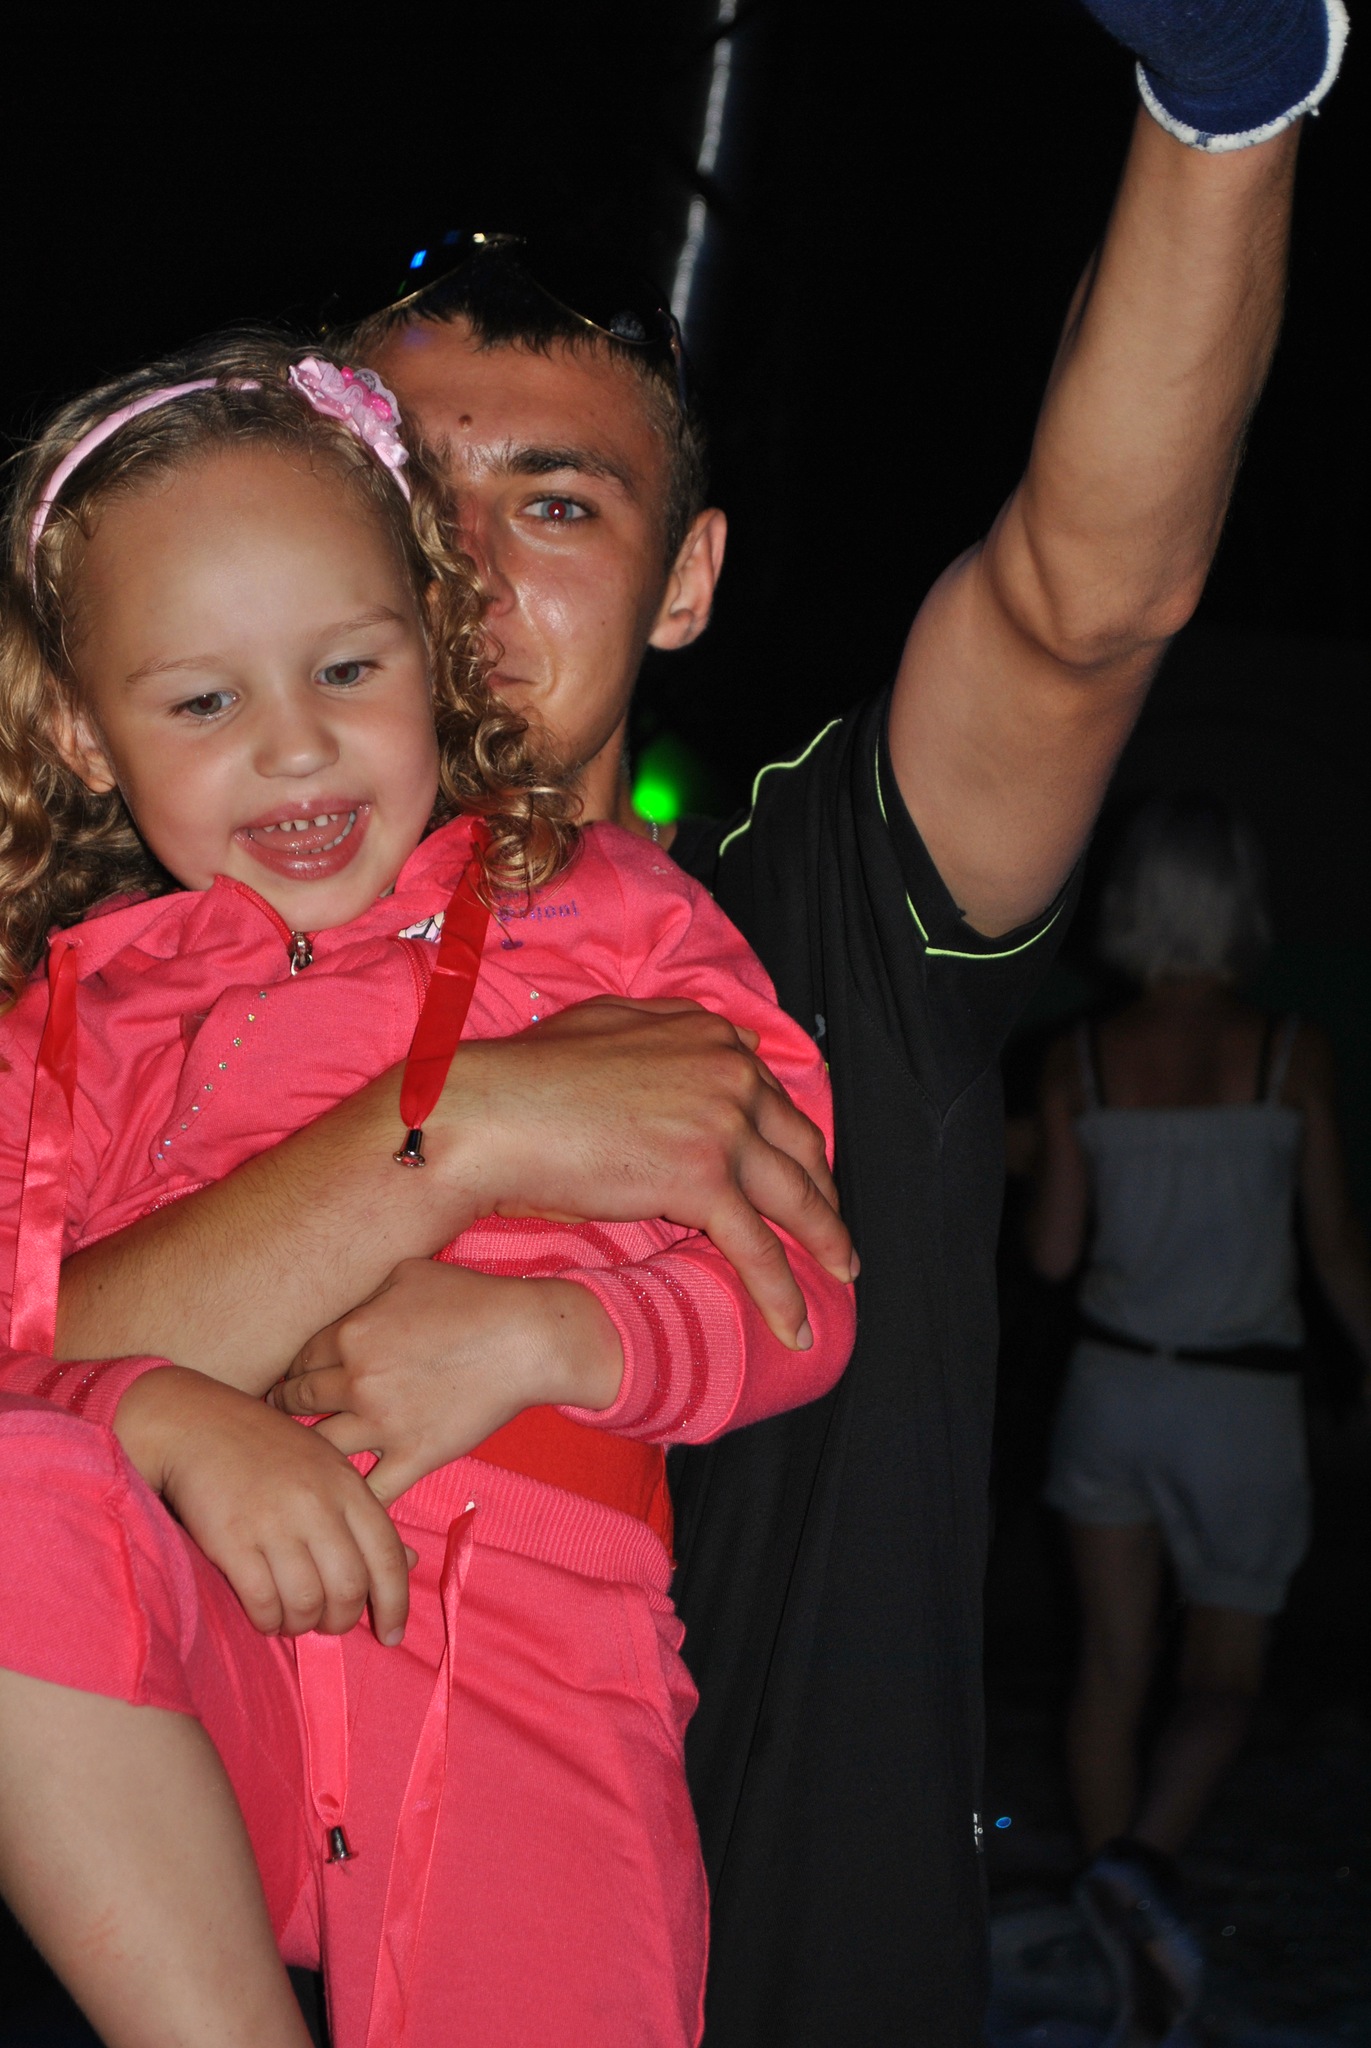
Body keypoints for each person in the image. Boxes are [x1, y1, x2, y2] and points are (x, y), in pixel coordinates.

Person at [46, 2, 1347, 2039]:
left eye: (556, 504)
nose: (466, 564)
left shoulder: (793, 900)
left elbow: (1078, 604)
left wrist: (1223, 88)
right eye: (406, 495)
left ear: (687, 578)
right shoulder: (158, 954)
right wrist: (476, 1128)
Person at [0, 334, 855, 2048]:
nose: (297, 749)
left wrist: (550, 1337)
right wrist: (161, 1411)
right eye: (204, 702)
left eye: (346, 667)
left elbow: (803, 1294)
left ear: (433, 644)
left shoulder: (614, 920)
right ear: (86, 736)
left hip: (529, 1689)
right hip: (210, 1682)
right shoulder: (67, 1021)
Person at [1027, 794, 1371, 2043]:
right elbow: (1333, 1246)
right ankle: (1140, 1868)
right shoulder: (1290, 1051)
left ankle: (1122, 1917)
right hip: (1240, 1400)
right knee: (1225, 1669)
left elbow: (1054, 1255)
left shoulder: (1079, 1055)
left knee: (1110, 1666)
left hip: (1114, 1388)